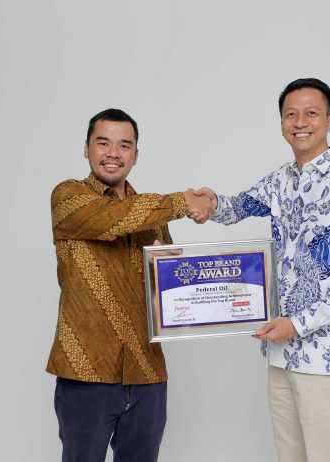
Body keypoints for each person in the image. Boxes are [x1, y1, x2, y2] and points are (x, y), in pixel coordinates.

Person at [192, 78, 330, 462]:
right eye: (291, 114)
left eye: (311, 113)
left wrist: (297, 324)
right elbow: (237, 207)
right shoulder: (281, 180)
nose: (300, 122)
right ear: (281, 122)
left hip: (327, 358)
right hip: (281, 355)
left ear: (329, 121)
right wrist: (209, 204)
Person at [46, 108, 213, 462]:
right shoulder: (68, 197)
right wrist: (183, 201)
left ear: (136, 155)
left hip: (147, 373)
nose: (113, 153)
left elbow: (167, 297)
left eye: (124, 145)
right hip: (86, 373)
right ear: (86, 148)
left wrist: (171, 273)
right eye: (103, 143)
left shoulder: (154, 216)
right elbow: (112, 220)